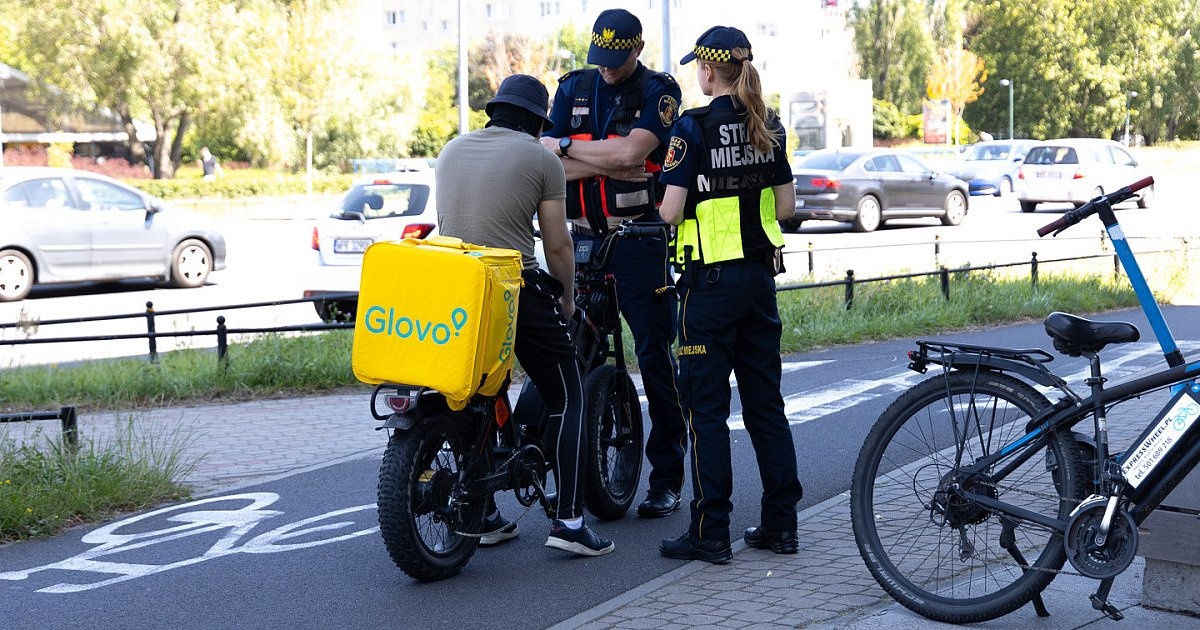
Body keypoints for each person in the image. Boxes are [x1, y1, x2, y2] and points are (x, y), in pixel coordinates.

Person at [435, 73, 615, 557]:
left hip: (460, 291)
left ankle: (485, 515)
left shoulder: (450, 151)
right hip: (516, 289)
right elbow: (557, 244)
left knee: (476, 393)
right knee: (568, 394)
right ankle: (571, 522)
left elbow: (450, 226)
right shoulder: (541, 158)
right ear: (539, 122)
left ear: (494, 112)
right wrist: (568, 299)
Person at [656, 26, 804, 564]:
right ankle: (781, 525)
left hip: (710, 290)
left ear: (708, 71)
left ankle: (711, 530)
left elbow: (670, 212)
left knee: (707, 414)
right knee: (767, 406)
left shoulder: (691, 130)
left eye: (699, 66)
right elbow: (786, 208)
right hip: (759, 284)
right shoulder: (770, 126)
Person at [540, 8, 687, 519]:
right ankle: (573, 479)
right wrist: (584, 151)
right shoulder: (572, 86)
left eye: (616, 60)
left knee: (654, 358)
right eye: (600, 59)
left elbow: (635, 155)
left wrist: (572, 150)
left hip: (639, 240)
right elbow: (547, 158)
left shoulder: (659, 91)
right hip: (581, 241)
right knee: (572, 358)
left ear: (638, 49)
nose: (606, 69)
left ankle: (666, 478)